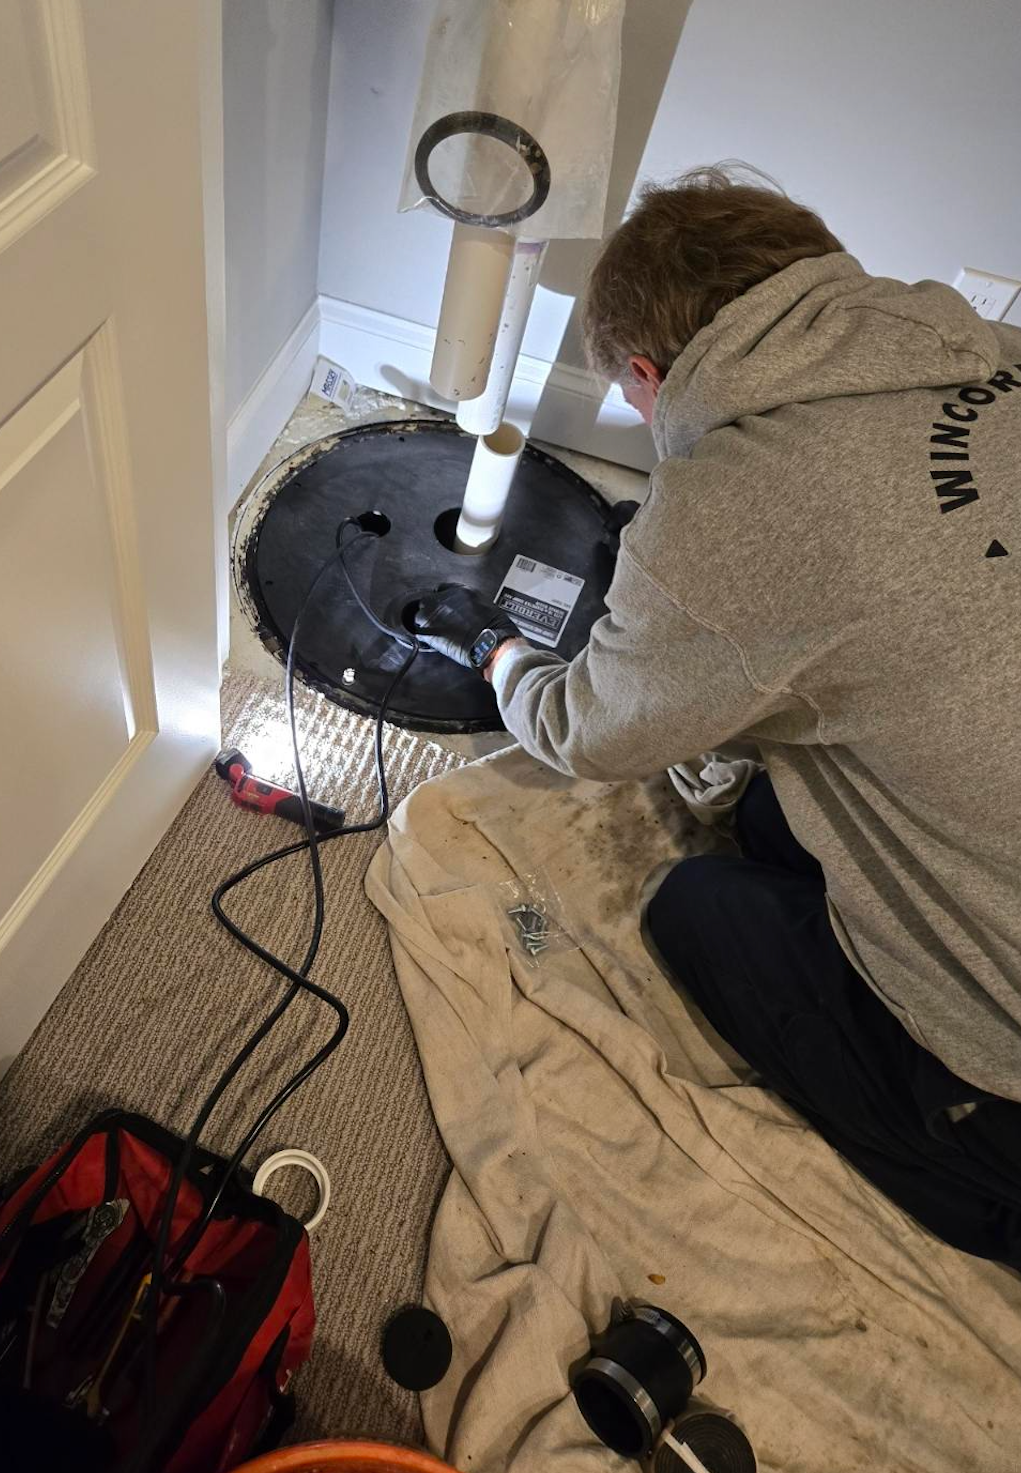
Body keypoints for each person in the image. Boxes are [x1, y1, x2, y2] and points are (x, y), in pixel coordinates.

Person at [412, 165, 1021, 1266]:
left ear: (645, 375)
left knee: (698, 905)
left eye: (630, 401)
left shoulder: (735, 511)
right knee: (772, 809)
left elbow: (586, 732)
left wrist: (493, 650)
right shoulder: (990, 354)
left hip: (1007, 1084)